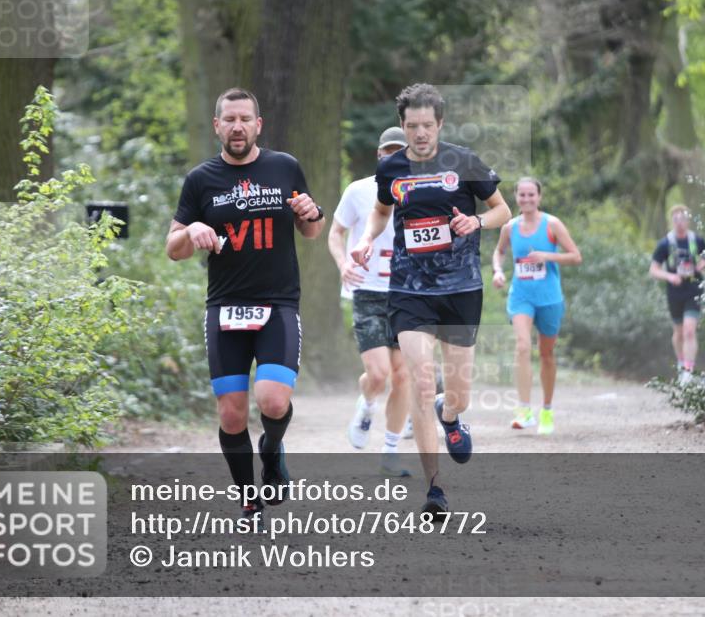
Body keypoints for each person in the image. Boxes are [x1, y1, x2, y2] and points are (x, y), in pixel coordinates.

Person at [350, 83, 511, 516]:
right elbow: (381, 211)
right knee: (421, 382)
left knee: (458, 394)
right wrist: (366, 239)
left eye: (427, 125)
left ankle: (451, 416)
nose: (420, 133)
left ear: (440, 124)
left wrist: (476, 222)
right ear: (402, 126)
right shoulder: (392, 168)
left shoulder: (464, 161)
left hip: (460, 290)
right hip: (409, 290)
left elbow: (503, 210)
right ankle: (435, 490)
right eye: (412, 126)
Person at [166, 87, 325, 519]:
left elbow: (311, 231)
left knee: (272, 401)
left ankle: (271, 451)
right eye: (230, 120)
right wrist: (190, 230)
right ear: (217, 126)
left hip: (278, 304)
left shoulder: (284, 167)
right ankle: (248, 499)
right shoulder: (201, 179)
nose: (238, 127)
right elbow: (173, 249)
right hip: (225, 307)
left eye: (245, 119)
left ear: (258, 125)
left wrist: (311, 213)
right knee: (232, 415)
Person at [328, 126, 413, 477]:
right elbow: (336, 233)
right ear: (379, 155)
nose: (393, 157)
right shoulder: (359, 190)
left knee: (403, 375)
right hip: (367, 290)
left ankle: (390, 452)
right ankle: (366, 404)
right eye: (387, 152)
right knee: (378, 374)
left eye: (399, 152)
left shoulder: (420, 192)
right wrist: (343, 264)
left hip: (407, 292)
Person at [492, 177, 581, 435]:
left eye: (531, 194)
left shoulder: (552, 224)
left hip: (549, 298)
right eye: (522, 195)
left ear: (539, 197)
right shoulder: (510, 227)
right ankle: (524, 410)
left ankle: (547, 410)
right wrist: (498, 271)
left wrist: (547, 256)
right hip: (521, 296)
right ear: (516, 197)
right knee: (522, 346)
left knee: (546, 354)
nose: (527, 199)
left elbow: (576, 256)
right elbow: (499, 252)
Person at [649, 205, 705, 384]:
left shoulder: (696, 240)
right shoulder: (665, 244)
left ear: (688, 220)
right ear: (672, 221)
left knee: (689, 330)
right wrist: (670, 276)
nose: (679, 223)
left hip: (694, 289)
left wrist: (702, 265)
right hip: (675, 292)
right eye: (676, 219)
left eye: (682, 219)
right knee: (678, 332)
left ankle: (688, 371)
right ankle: (681, 362)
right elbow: (653, 269)